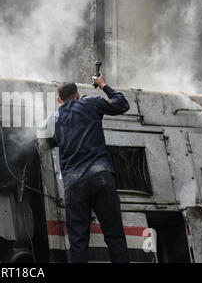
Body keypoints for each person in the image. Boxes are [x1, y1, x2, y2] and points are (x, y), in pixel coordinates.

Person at [54, 72, 130, 263]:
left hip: (74, 185)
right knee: (115, 237)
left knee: (78, 243)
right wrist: (103, 85)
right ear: (78, 94)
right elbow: (122, 104)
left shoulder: (55, 118)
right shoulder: (91, 103)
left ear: (59, 100)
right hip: (100, 176)